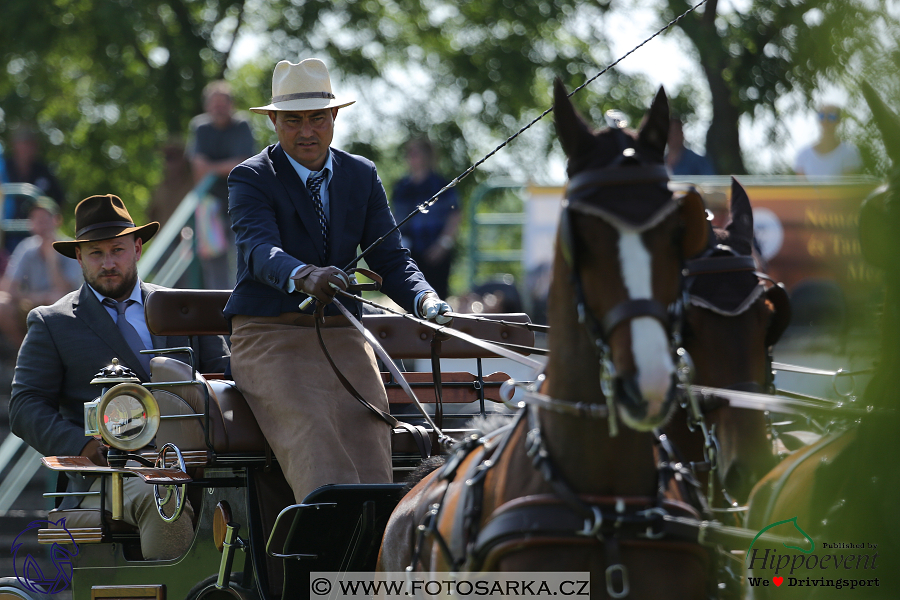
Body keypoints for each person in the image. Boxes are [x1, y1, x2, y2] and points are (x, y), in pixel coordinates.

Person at [225, 57, 452, 503]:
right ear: (273, 121)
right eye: (293, 121)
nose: (306, 131)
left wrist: (426, 300)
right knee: (314, 436)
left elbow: (389, 257)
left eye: (317, 118)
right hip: (269, 335)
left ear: (334, 118)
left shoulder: (361, 175)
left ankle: (376, 556)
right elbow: (258, 250)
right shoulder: (251, 177)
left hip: (344, 333)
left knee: (369, 435)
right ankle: (324, 552)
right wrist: (304, 275)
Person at [8, 194, 230, 561]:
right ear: (79, 257)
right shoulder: (53, 322)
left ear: (138, 248)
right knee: (162, 500)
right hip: (113, 474)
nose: (108, 263)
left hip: (200, 460)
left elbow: (223, 376)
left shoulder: (181, 308)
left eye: (117, 250)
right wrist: (84, 447)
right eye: (95, 253)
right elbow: (25, 407)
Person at [186, 80, 256, 290]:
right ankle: (219, 306)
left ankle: (246, 300)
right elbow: (197, 168)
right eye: (214, 104)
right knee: (213, 261)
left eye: (223, 103)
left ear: (231, 105)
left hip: (241, 203)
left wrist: (211, 167)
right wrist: (224, 166)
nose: (219, 108)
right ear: (207, 106)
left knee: (244, 256)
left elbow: (242, 164)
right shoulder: (199, 127)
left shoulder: (242, 124)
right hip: (210, 205)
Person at [0, 197, 82, 348]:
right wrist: (37, 298)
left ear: (57, 220)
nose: (40, 223)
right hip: (32, 303)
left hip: (64, 308)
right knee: (1, 304)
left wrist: (52, 259)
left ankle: (58, 355)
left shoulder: (70, 247)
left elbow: (66, 291)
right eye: (35, 218)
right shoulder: (25, 247)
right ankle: (23, 352)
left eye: (44, 218)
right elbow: (8, 288)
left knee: (57, 301)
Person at [391, 137, 461, 299]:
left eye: (415, 153)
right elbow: (393, 217)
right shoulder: (401, 187)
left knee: (437, 298)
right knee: (410, 298)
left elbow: (455, 215)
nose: (411, 157)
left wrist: (443, 245)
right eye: (409, 153)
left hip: (436, 253)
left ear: (426, 156)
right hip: (409, 253)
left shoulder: (442, 185)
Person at [3, 124, 68, 253]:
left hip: (37, 237)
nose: (27, 148)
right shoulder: (3, 168)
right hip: (5, 237)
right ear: (14, 145)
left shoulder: (43, 171)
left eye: (30, 144)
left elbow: (59, 200)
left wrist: (46, 223)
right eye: (23, 143)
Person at [794, 105, 862, 177]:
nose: (825, 121)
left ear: (838, 121)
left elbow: (848, 186)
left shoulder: (849, 153)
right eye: (822, 116)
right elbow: (802, 186)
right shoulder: (803, 154)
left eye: (831, 117)